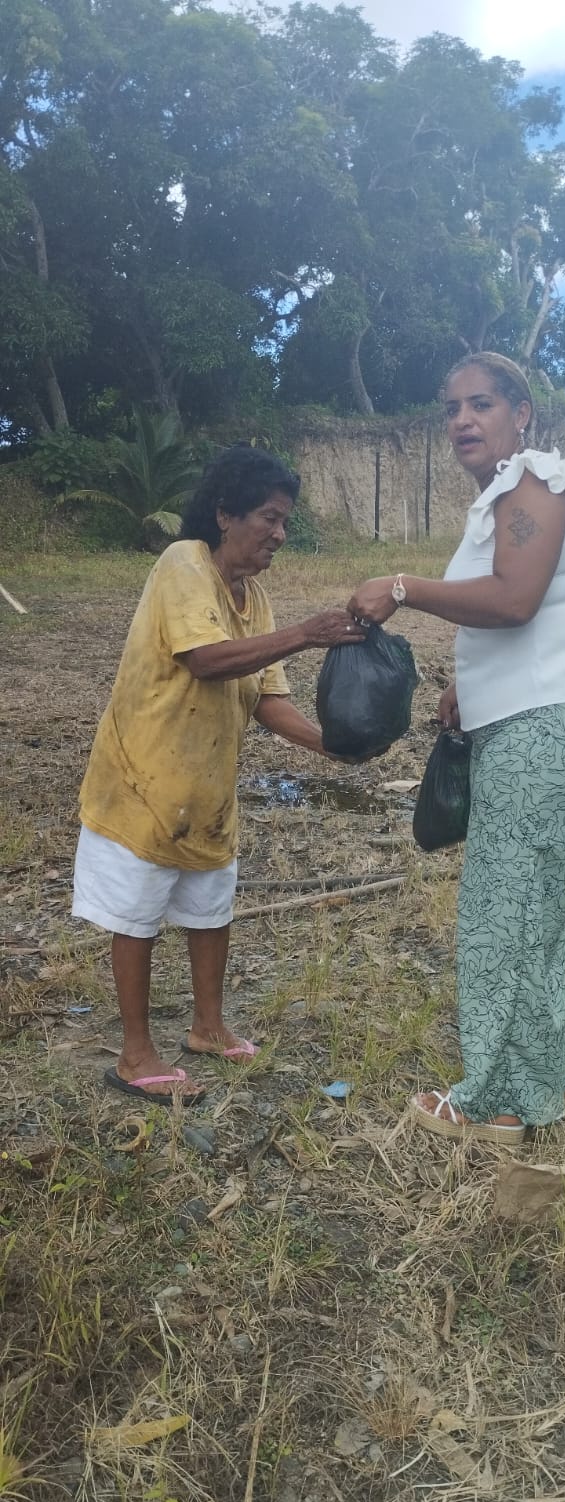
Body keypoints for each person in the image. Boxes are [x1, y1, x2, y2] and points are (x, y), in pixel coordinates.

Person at [348, 353, 565, 1147]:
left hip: (544, 735)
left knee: (502, 921)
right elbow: (538, 613)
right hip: (534, 723)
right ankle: (539, 1081)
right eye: (452, 408)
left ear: (521, 413)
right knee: (532, 916)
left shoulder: (534, 480)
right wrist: (472, 687)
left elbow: (513, 598)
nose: (463, 421)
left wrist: (403, 587)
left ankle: (496, 1101)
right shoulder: (504, 495)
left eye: (482, 405)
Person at [73, 443, 365, 1105]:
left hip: (205, 792)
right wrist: (308, 632)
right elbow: (205, 659)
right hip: (144, 781)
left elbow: (266, 699)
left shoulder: (253, 596)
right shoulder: (184, 563)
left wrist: (332, 747)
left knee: (210, 910)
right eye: (269, 518)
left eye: (285, 521)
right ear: (226, 513)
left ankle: (208, 1027)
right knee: (137, 918)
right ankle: (135, 1054)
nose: (280, 534)